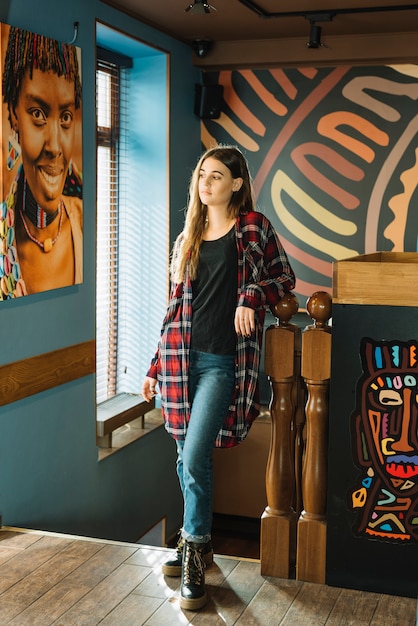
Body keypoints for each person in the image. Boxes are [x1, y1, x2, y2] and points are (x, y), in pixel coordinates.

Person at [141, 145, 295, 610]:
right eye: (201, 174)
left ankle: (193, 551)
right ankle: (197, 545)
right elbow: (173, 312)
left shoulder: (253, 228)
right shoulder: (189, 234)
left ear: (236, 184)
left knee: (194, 453)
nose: (205, 182)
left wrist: (251, 293)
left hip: (222, 362)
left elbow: (283, 280)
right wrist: (152, 367)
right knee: (184, 455)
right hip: (178, 362)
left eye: (216, 176)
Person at [0, 25, 82, 299]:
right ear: (13, 114)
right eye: (38, 113)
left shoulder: (85, 223)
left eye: (66, 117)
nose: (55, 147)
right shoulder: (4, 240)